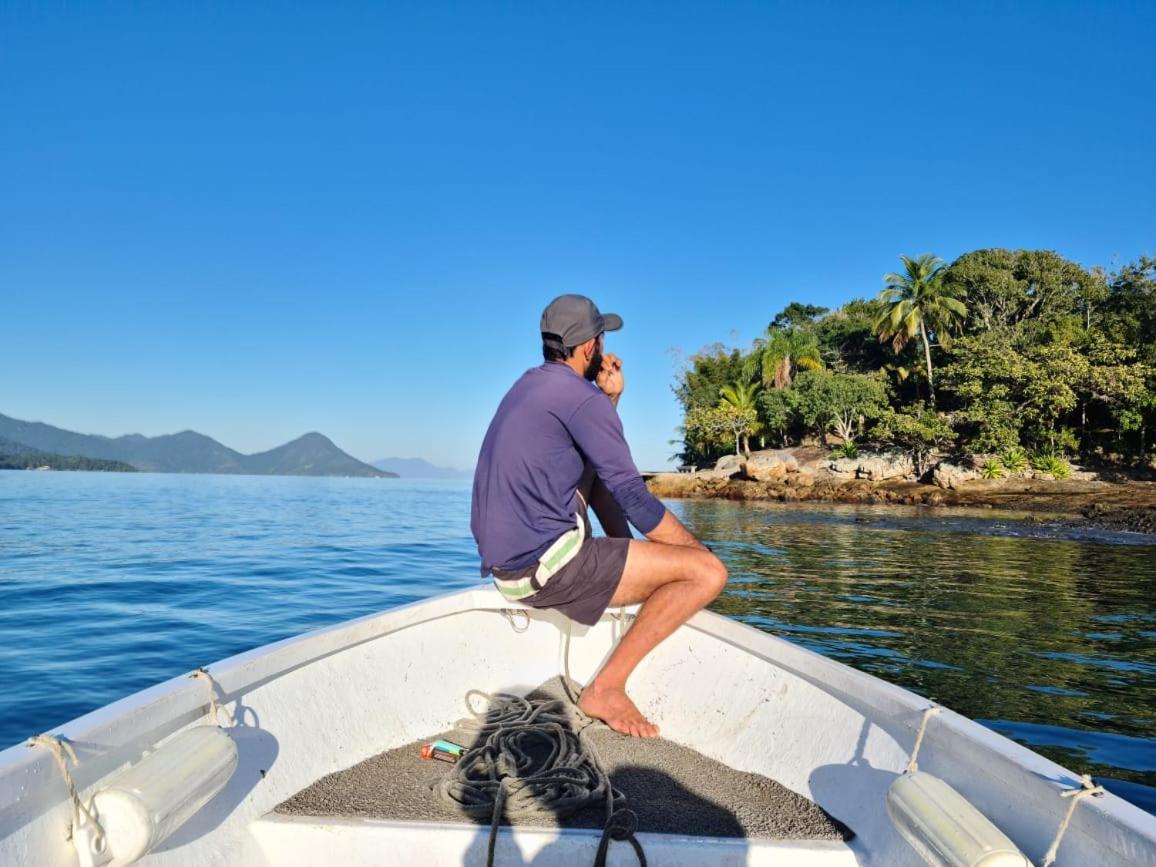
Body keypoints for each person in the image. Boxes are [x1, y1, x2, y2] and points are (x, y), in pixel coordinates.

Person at [471, 294, 728, 738]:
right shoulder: (579, 399)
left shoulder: (530, 386)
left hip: (510, 566)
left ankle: (627, 555)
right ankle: (606, 688)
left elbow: (595, 464)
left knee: (598, 473)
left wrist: (609, 400)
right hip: (547, 568)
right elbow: (632, 492)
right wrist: (692, 550)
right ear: (589, 347)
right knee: (706, 573)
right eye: (601, 336)